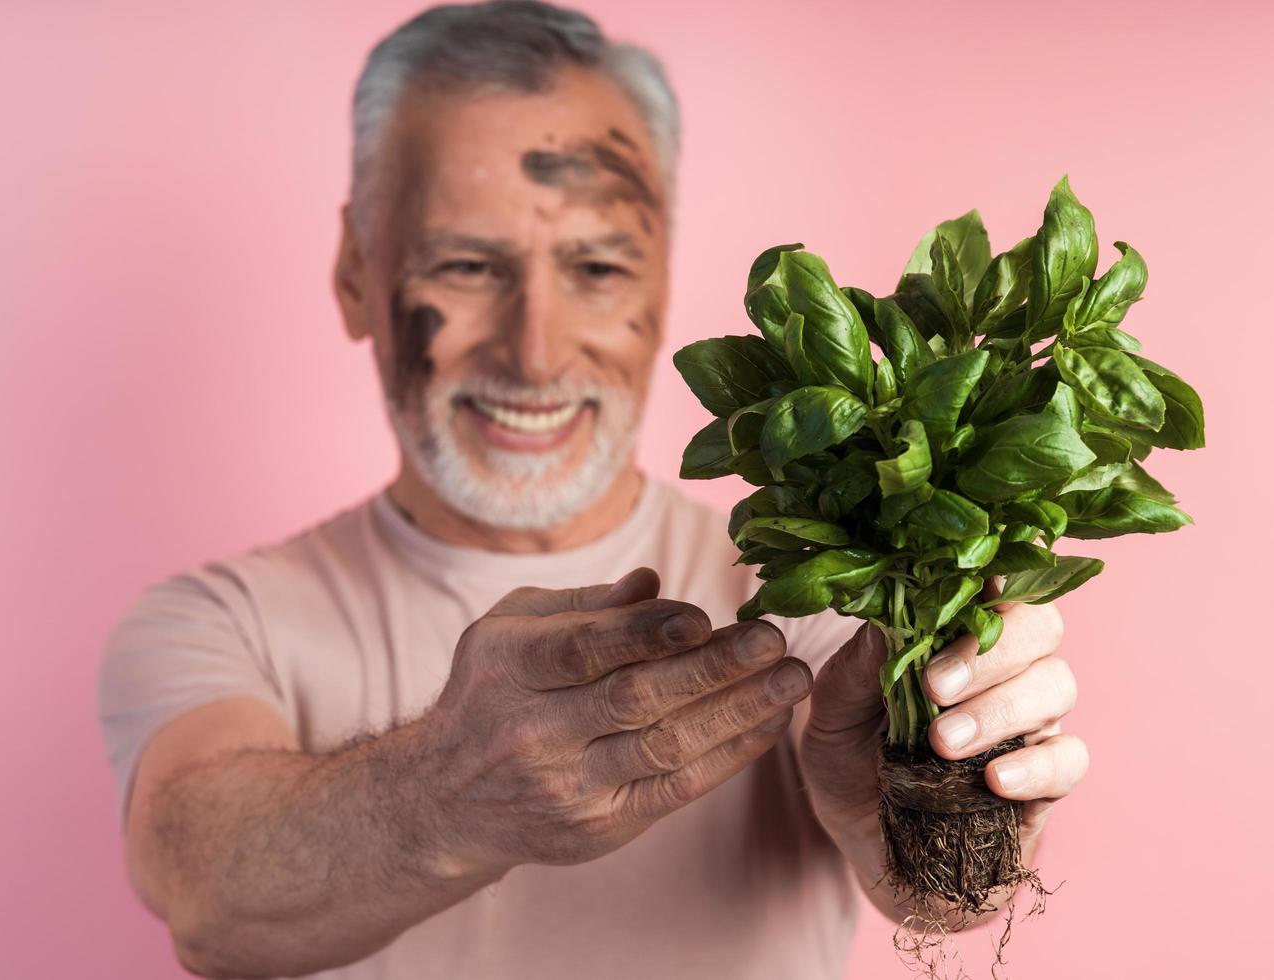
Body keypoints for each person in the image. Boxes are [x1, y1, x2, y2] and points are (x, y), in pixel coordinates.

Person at [96, 3, 1088, 977]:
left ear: (661, 275)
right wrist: (453, 788)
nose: (535, 351)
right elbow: (205, 891)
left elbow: (939, 895)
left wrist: (961, 777)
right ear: (359, 270)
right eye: (469, 263)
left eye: (598, 266)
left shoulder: (816, 584)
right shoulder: (216, 622)